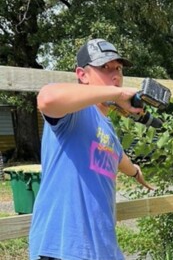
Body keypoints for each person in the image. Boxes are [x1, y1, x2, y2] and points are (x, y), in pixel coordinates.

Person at [29, 38, 154, 260]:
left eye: (118, 68)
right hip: (61, 248)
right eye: (105, 68)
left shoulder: (107, 129)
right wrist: (115, 93)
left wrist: (136, 172)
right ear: (82, 75)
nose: (115, 74)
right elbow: (46, 99)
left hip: (102, 250)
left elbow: (117, 156)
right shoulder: (74, 113)